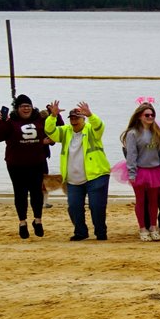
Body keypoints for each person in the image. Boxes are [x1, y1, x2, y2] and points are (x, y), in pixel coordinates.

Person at [43, 101, 110, 241]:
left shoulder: (91, 130)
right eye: (72, 118)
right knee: (74, 207)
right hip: (73, 179)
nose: (74, 121)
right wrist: (53, 116)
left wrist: (91, 115)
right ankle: (80, 232)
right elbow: (50, 131)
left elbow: (100, 126)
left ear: (83, 119)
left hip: (96, 175)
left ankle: (100, 232)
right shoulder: (65, 131)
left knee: (96, 206)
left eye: (77, 118)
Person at [0, 94, 51, 239]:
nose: (26, 109)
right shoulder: (10, 120)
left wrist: (54, 115)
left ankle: (38, 220)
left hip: (37, 162)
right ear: (17, 108)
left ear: (32, 107)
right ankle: (22, 222)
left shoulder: (40, 119)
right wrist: (1, 122)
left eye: (28, 106)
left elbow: (54, 133)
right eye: (22, 106)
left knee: (37, 192)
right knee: (20, 193)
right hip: (16, 164)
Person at [120, 103, 160, 242]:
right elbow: (131, 155)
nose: (150, 117)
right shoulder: (133, 133)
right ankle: (142, 228)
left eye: (152, 115)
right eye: (147, 115)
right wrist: (132, 173)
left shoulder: (157, 132)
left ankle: (153, 227)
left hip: (154, 170)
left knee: (154, 201)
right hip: (140, 170)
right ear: (140, 116)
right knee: (140, 201)